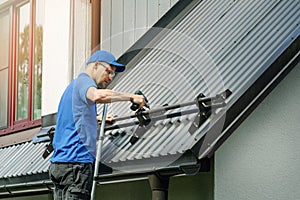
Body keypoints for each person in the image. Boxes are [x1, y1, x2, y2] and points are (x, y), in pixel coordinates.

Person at [49, 50, 145, 199]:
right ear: (95, 65)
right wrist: (132, 97)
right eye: (108, 71)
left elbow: (73, 119)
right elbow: (97, 95)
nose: (110, 77)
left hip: (60, 165)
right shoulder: (84, 81)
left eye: (113, 74)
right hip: (76, 164)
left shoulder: (72, 87)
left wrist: (98, 119)